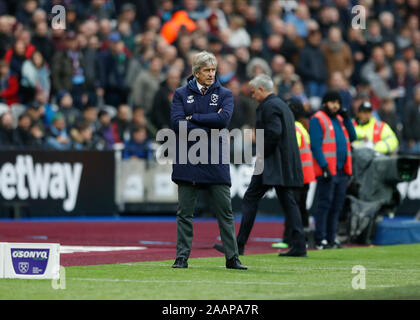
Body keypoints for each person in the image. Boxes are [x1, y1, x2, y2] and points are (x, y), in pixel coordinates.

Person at [214, 74, 308, 257]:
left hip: (271, 162)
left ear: (262, 89)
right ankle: (299, 245)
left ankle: (237, 246)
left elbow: (274, 132)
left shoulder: (269, 106)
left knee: (251, 198)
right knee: (288, 202)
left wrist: (262, 153)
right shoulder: (282, 105)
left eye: (253, 91)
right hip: (283, 161)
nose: (252, 95)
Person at [170, 51, 246, 270]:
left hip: (215, 158)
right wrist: (207, 124)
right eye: (207, 70)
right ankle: (182, 257)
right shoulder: (180, 94)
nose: (211, 74)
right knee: (185, 212)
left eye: (213, 70)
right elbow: (177, 125)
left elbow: (223, 121)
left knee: (225, 211)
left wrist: (193, 118)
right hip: (188, 158)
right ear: (196, 72)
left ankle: (232, 258)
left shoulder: (225, 94)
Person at [309, 90, 357, 249]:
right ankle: (320, 238)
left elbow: (353, 136)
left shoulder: (340, 119)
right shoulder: (318, 119)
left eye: (338, 103)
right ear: (325, 103)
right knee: (324, 205)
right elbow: (315, 146)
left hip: (342, 170)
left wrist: (348, 118)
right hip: (328, 170)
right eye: (332, 102)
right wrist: (324, 166)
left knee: (337, 206)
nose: (336, 105)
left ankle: (331, 238)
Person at [281, 99, 316, 247]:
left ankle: (289, 239)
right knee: (301, 207)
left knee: (292, 206)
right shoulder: (302, 127)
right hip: (307, 174)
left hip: (297, 174)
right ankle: (304, 237)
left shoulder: (293, 128)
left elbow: (290, 151)